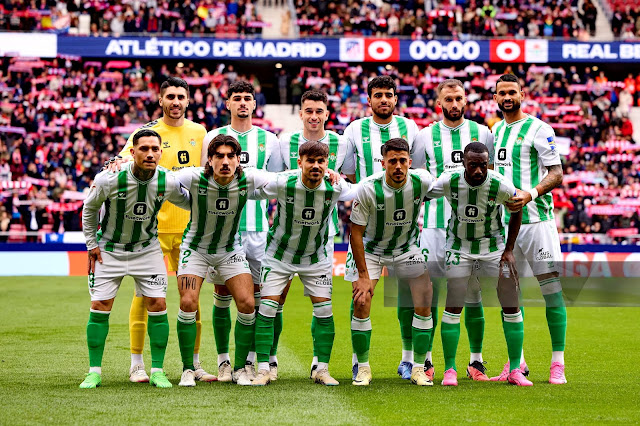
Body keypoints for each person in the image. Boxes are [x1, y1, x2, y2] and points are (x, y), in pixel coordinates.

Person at [111, 77, 214, 383]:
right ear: (160, 99)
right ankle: (137, 364)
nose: (175, 101)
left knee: (191, 299)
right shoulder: (147, 132)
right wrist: (116, 162)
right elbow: (121, 159)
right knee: (143, 297)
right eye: (170, 96)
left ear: (188, 100)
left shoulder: (200, 132)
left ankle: (193, 363)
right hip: (152, 230)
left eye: (181, 96)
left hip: (189, 230)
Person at [80, 129, 190, 389]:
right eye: (144, 149)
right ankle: (94, 372)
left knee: (157, 303)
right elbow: (89, 208)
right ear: (132, 152)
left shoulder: (168, 181)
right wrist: (91, 244)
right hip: (110, 250)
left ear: (161, 153)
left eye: (155, 149)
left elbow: (189, 202)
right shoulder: (109, 179)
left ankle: (158, 370)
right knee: (100, 306)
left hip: (147, 249)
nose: (150, 154)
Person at [427, 142, 531, 386]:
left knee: (511, 304)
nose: (478, 170)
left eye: (483, 165)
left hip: (492, 249)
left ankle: (515, 369)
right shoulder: (449, 180)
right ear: (463, 162)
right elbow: (422, 192)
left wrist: (509, 250)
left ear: (488, 163)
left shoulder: (499, 184)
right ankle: (450, 370)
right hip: (458, 247)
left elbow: (518, 209)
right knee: (453, 305)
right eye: (472, 165)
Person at [411, 79, 495, 382]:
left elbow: (491, 177)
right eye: (448, 99)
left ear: (466, 100)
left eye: (459, 98)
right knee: (429, 293)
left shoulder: (482, 133)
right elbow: (418, 177)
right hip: (433, 224)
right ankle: (428, 361)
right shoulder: (424, 136)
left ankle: (476, 360)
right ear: (439, 103)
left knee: (472, 293)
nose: (454, 104)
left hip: (469, 227)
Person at [173, 134, 273, 387]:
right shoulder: (194, 177)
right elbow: (163, 179)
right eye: (219, 156)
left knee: (248, 304)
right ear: (210, 159)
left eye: (231, 156)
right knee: (188, 302)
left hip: (230, 250)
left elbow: (281, 180)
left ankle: (239, 368)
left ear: (239, 160)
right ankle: (188, 369)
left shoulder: (247, 178)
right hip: (195, 248)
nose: (225, 161)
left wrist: (325, 172)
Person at [251, 140, 353, 386]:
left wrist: (340, 178)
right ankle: (263, 368)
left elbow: (362, 191)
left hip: (315, 258)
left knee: (325, 311)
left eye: (321, 161)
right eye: (310, 161)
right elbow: (252, 185)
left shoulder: (336, 187)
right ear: (300, 163)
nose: (316, 166)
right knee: (266, 309)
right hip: (279, 256)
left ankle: (322, 369)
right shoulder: (284, 182)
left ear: (327, 163)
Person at [342, 75, 421, 380]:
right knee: (361, 296)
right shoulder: (354, 130)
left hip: (404, 232)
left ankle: (409, 359)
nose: (384, 99)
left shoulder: (410, 128)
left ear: (395, 98)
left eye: (389, 94)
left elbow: (421, 171)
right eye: (378, 95)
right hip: (367, 229)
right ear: (369, 99)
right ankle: (358, 362)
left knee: (411, 299)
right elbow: (348, 173)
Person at [202, 80, 282, 382]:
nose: (243, 103)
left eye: (248, 98)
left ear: (255, 103)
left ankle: (253, 361)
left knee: (260, 297)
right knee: (222, 293)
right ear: (228, 104)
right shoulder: (213, 137)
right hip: (223, 231)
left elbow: (274, 183)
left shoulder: (269, 140)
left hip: (258, 231)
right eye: (237, 98)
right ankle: (224, 361)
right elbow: (204, 182)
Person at [491, 73, 567, 384]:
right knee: (508, 295)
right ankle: (516, 366)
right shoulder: (494, 132)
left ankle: (557, 363)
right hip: (506, 228)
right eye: (501, 93)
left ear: (522, 94)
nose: (507, 97)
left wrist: (530, 194)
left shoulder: (539, 128)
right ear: (495, 98)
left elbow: (557, 173)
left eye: (512, 92)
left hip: (538, 224)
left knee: (552, 292)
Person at [346, 138, 436, 387]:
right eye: (392, 161)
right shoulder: (368, 188)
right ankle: (362, 367)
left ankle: (418, 367)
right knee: (361, 301)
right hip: (373, 250)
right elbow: (355, 232)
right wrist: (363, 275)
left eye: (402, 161)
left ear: (410, 162)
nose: (398, 166)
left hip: (407, 249)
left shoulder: (422, 180)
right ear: (383, 162)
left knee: (425, 298)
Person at [274, 89, 349, 379]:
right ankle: (270, 361)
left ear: (327, 113)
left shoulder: (340, 144)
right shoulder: (284, 142)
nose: (314, 116)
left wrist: (337, 177)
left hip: (322, 234)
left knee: (321, 300)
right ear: (301, 113)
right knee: (276, 298)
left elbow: (347, 178)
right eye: (309, 111)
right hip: (287, 234)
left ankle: (320, 364)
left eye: (319, 111)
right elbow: (279, 180)